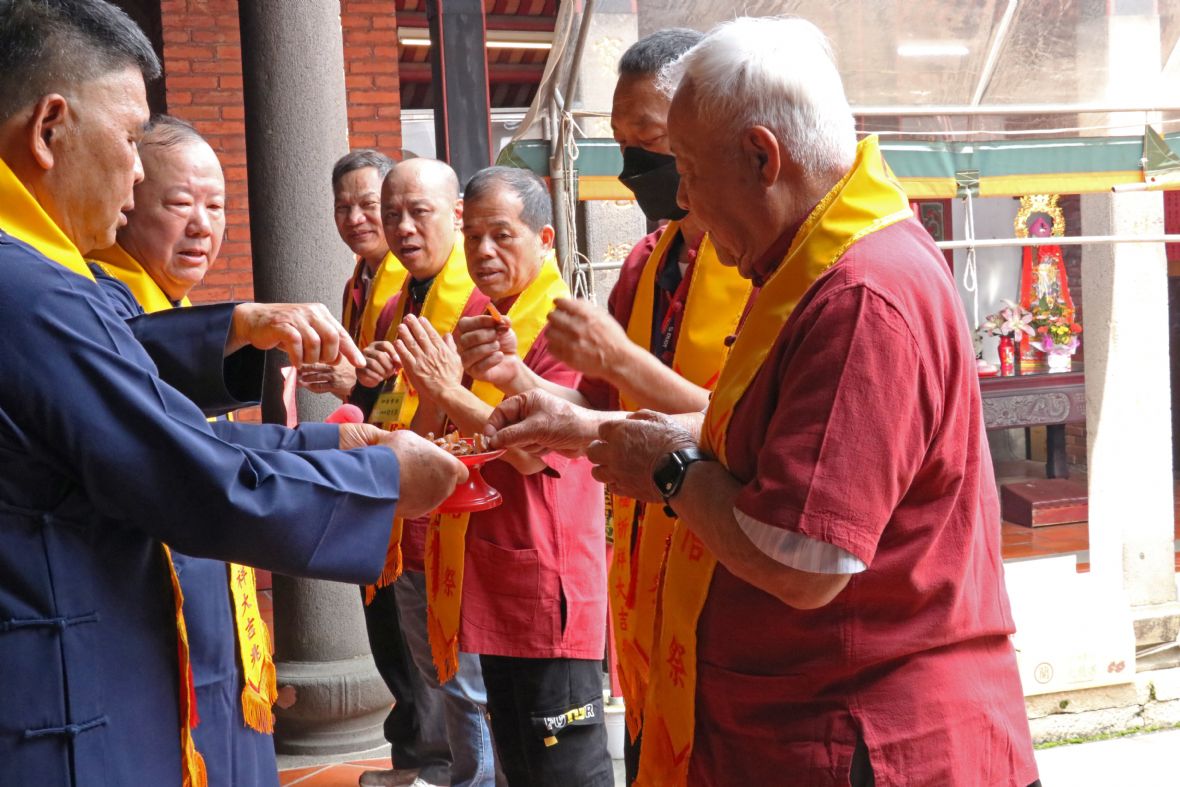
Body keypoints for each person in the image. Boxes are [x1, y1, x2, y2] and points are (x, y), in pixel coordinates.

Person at [484, 17, 1040, 787]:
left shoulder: (861, 294)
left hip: (865, 733)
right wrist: (586, 427)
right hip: (782, 721)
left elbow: (805, 557)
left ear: (760, 156)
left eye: (686, 167)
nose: (678, 195)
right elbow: (753, 435)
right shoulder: (802, 264)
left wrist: (672, 475)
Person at [0, 2, 466, 785]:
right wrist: (380, 479)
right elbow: (183, 465)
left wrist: (328, 436)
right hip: (61, 699)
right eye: (131, 139)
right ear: (50, 128)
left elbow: (131, 378)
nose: (137, 173)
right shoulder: (34, 290)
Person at [452, 29, 750, 785]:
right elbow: (592, 410)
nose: (633, 166)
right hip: (648, 568)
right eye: (620, 142)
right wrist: (513, 373)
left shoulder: (760, 263)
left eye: (649, 140)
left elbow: (744, 425)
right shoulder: (650, 261)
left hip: (732, 563)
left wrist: (616, 360)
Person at [391, 166, 613, 787]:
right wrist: (434, 388)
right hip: (494, 571)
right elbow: (445, 434)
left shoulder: (567, 328)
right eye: (473, 238)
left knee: (563, 764)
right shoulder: (484, 319)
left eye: (502, 235)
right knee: (517, 759)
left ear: (544, 239)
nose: (483, 251)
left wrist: (445, 389)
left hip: (547, 577)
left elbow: (536, 453)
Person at [88, 113, 282, 787]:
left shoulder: (176, 306)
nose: (203, 225)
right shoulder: (96, 302)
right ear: (127, 201)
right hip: (147, 610)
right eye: (179, 204)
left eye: (216, 206)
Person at [353, 158, 499, 787]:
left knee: (467, 677)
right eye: (393, 215)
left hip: (470, 522)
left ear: (457, 215)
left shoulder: (484, 301)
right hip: (410, 515)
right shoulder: (393, 305)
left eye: (419, 212)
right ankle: (443, 771)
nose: (403, 228)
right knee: (430, 666)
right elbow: (387, 404)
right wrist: (363, 380)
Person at [299, 149, 407, 401]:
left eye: (369, 205)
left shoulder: (417, 281)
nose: (354, 219)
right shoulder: (355, 286)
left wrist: (356, 382)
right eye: (343, 207)